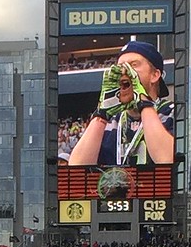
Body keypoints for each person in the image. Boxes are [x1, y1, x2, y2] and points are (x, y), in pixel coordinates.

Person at [67, 39, 176, 167]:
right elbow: (76, 167)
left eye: (134, 65)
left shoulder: (171, 112)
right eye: (121, 67)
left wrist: (143, 101)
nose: (125, 71)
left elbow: (168, 159)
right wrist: (101, 114)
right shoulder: (110, 122)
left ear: (155, 75)